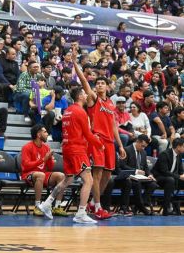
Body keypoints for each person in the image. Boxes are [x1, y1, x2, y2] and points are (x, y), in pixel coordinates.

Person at [38, 87, 104, 224]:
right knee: (88, 180)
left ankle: (46, 204)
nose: (87, 96)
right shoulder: (81, 112)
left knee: (68, 179)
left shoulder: (67, 111)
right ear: (80, 96)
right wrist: (99, 144)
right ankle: (81, 213)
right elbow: (87, 134)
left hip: (67, 148)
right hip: (77, 150)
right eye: (85, 94)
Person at [73, 60, 126, 220]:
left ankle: (92, 203)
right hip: (97, 140)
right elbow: (83, 81)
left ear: (108, 87)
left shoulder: (110, 104)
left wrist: (121, 146)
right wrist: (76, 64)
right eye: (98, 83)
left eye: (103, 83)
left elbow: (114, 126)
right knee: (96, 175)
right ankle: (97, 207)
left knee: (107, 177)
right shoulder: (93, 99)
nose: (100, 85)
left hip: (110, 142)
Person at [21, 124, 68, 217]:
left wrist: (50, 159)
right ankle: (38, 207)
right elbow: (26, 166)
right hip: (28, 174)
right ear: (39, 135)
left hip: (42, 174)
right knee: (40, 175)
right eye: (45, 132)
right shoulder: (27, 147)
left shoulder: (46, 147)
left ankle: (57, 207)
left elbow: (50, 168)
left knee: (61, 176)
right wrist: (43, 159)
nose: (47, 134)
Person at [116, 135, 156, 215]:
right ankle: (141, 206)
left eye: (145, 147)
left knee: (153, 184)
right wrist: (136, 171)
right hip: (129, 176)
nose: (143, 148)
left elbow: (145, 167)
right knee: (136, 184)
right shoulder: (126, 150)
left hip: (140, 177)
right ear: (137, 141)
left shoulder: (143, 152)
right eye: (142, 146)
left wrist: (150, 175)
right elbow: (122, 165)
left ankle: (138, 207)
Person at [152, 138, 184, 215]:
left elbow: (180, 171)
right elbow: (164, 171)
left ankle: (175, 204)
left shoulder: (179, 155)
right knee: (170, 180)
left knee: (172, 179)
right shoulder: (164, 154)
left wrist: (182, 175)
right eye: (183, 146)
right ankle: (166, 208)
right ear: (178, 147)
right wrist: (179, 177)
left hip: (171, 178)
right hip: (159, 178)